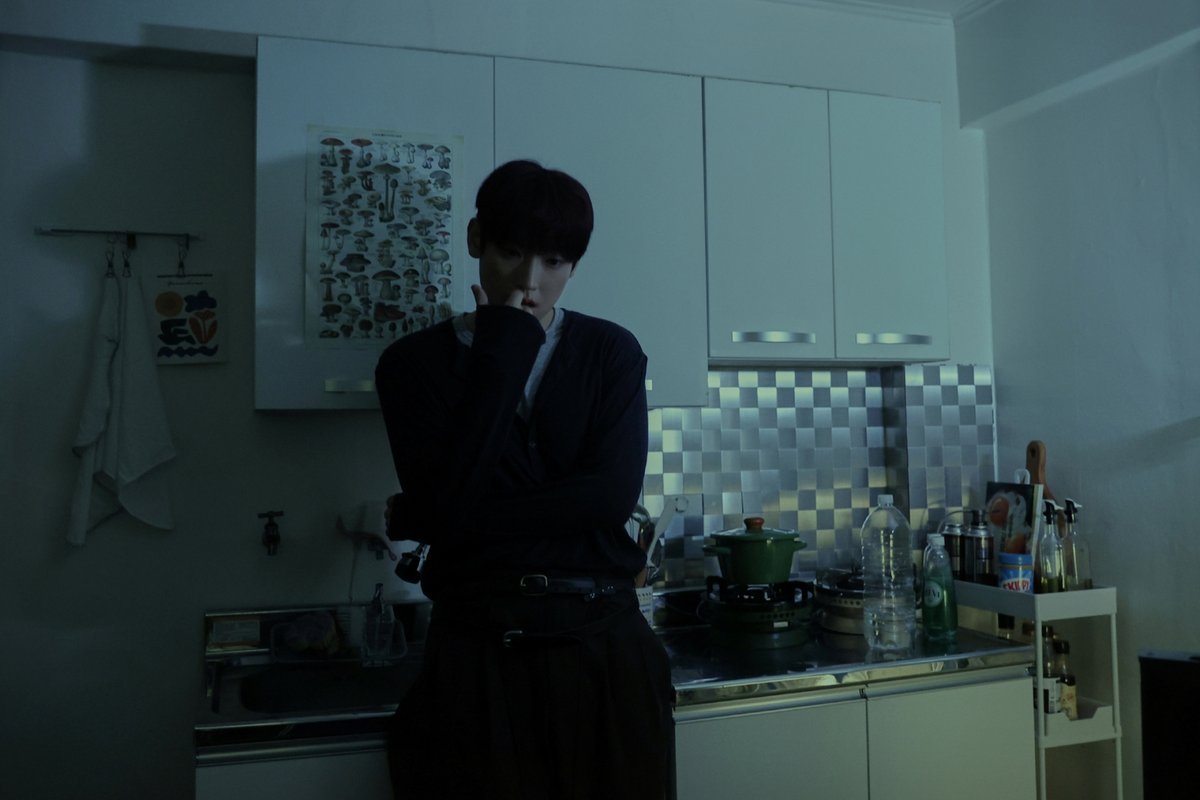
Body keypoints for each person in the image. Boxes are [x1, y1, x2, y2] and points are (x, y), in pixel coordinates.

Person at [375, 159, 675, 799]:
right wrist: (503, 353)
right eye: (511, 253)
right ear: (476, 240)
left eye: (554, 262)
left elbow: (608, 499)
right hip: (477, 650)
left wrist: (435, 516)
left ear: (573, 266)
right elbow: (451, 505)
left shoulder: (610, 351)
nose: (531, 283)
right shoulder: (410, 366)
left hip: (603, 642)